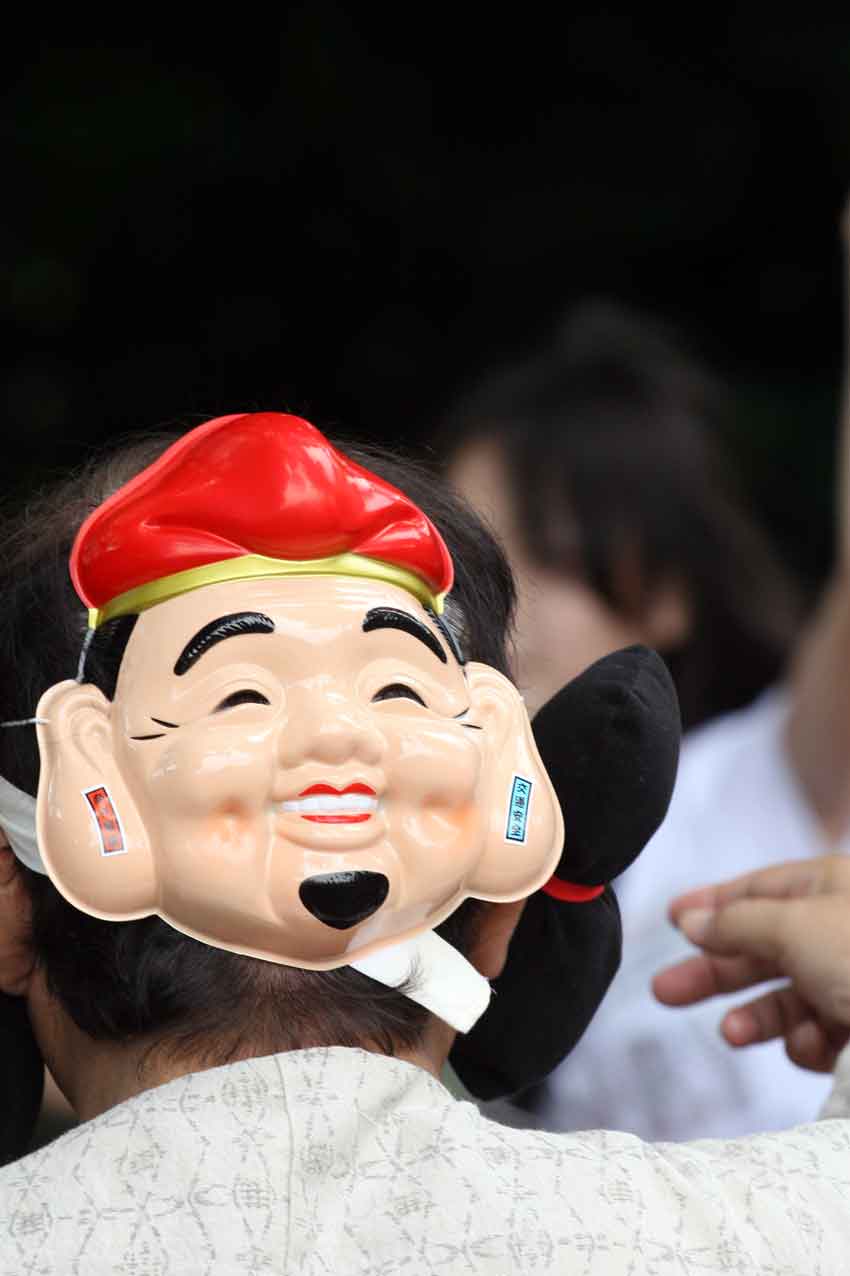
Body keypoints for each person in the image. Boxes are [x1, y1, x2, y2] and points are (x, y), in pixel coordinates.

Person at [1, 410, 850, 1274]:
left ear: (10, 905)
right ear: (504, 907)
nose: (329, 745)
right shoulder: (767, 1233)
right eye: (242, 696)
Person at [443, 286, 850, 1138]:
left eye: (536, 561)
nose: (479, 613)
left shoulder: (758, 785)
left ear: (663, 588)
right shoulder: (394, 843)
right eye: (460, 566)